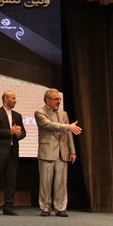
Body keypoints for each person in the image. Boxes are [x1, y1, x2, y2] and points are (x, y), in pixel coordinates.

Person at [34, 88, 81, 217]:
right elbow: (49, 125)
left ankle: (60, 207)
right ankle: (45, 207)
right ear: (47, 100)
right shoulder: (40, 112)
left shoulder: (63, 113)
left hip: (62, 152)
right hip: (47, 152)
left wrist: (72, 151)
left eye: (59, 99)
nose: (59, 101)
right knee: (45, 182)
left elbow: (69, 133)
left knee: (61, 182)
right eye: (56, 99)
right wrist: (68, 126)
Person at [0, 90, 25, 216]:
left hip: (13, 152)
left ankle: (8, 206)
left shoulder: (17, 115)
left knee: (11, 181)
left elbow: (23, 132)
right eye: (13, 98)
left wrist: (19, 133)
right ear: (5, 99)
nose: (15, 100)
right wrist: (10, 131)